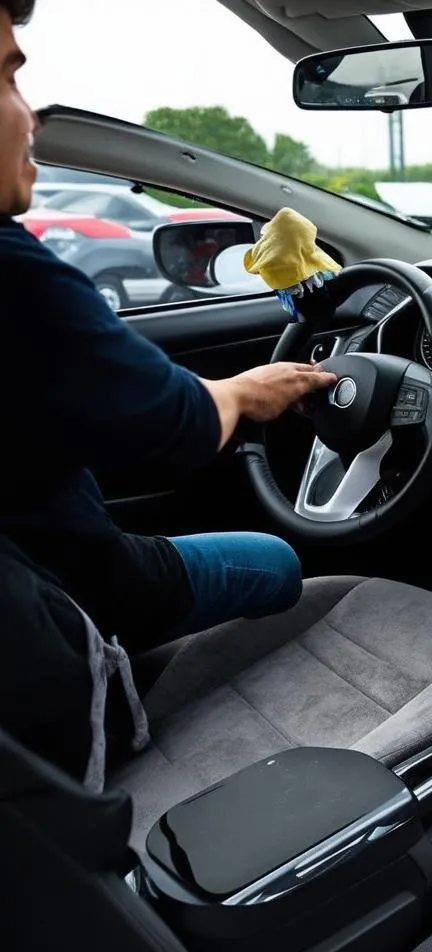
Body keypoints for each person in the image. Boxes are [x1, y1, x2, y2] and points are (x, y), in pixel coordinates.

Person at [0, 0, 338, 652]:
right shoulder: (16, 275)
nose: (31, 115)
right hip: (77, 596)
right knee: (280, 561)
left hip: (36, 586)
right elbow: (177, 424)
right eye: (10, 79)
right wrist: (243, 392)